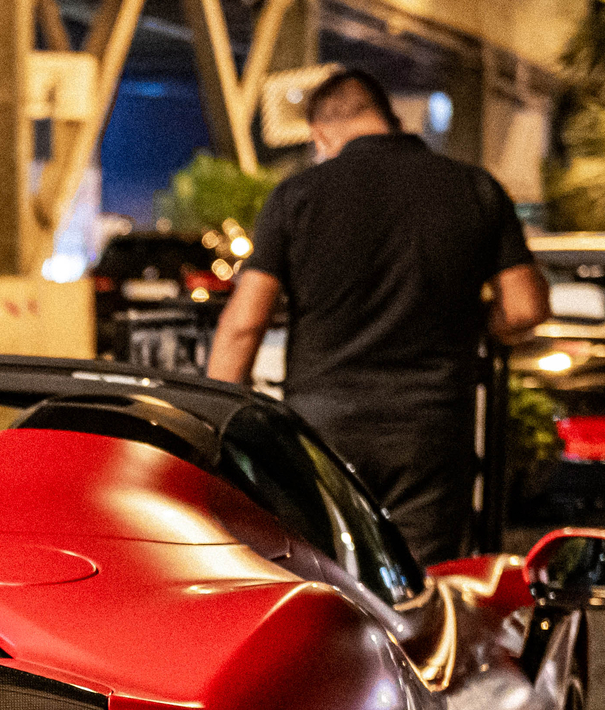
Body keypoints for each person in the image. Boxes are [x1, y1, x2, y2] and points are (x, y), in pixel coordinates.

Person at [207, 68, 550, 564]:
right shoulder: (474, 188)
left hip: (324, 434)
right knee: (419, 592)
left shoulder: (298, 196)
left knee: (326, 582)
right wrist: (482, 324)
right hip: (429, 435)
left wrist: (218, 425)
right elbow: (525, 308)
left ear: (321, 133)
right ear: (389, 118)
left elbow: (244, 324)